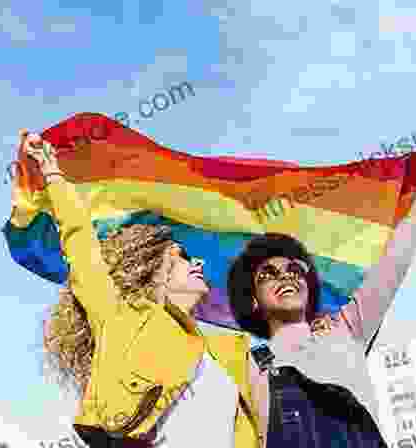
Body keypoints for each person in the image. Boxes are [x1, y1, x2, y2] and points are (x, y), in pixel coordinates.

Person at [20, 131, 261, 448]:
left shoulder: (231, 351)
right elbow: (81, 245)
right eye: (183, 257)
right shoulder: (121, 318)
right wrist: (52, 173)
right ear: (152, 270)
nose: (198, 263)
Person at [227, 152, 416, 447]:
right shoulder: (249, 361)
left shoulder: (346, 329)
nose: (285, 276)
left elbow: (393, 263)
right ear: (254, 301)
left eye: (295, 270)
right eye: (268, 274)